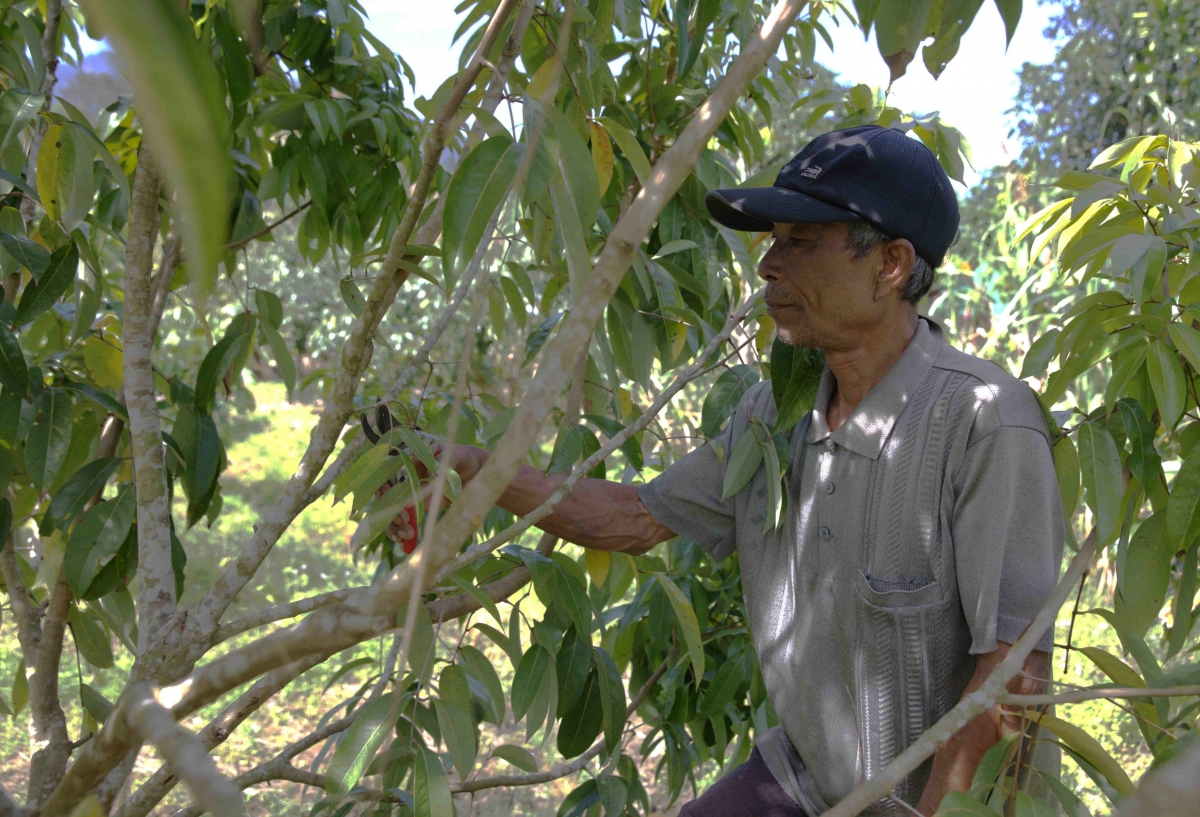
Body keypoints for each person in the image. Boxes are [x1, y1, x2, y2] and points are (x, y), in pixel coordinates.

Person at [386, 125, 1065, 816]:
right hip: (808, 777)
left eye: (800, 242)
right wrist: (474, 468)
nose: (769, 265)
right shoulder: (774, 414)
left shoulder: (984, 422)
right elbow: (634, 517)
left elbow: (1014, 677)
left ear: (890, 264)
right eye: (773, 240)